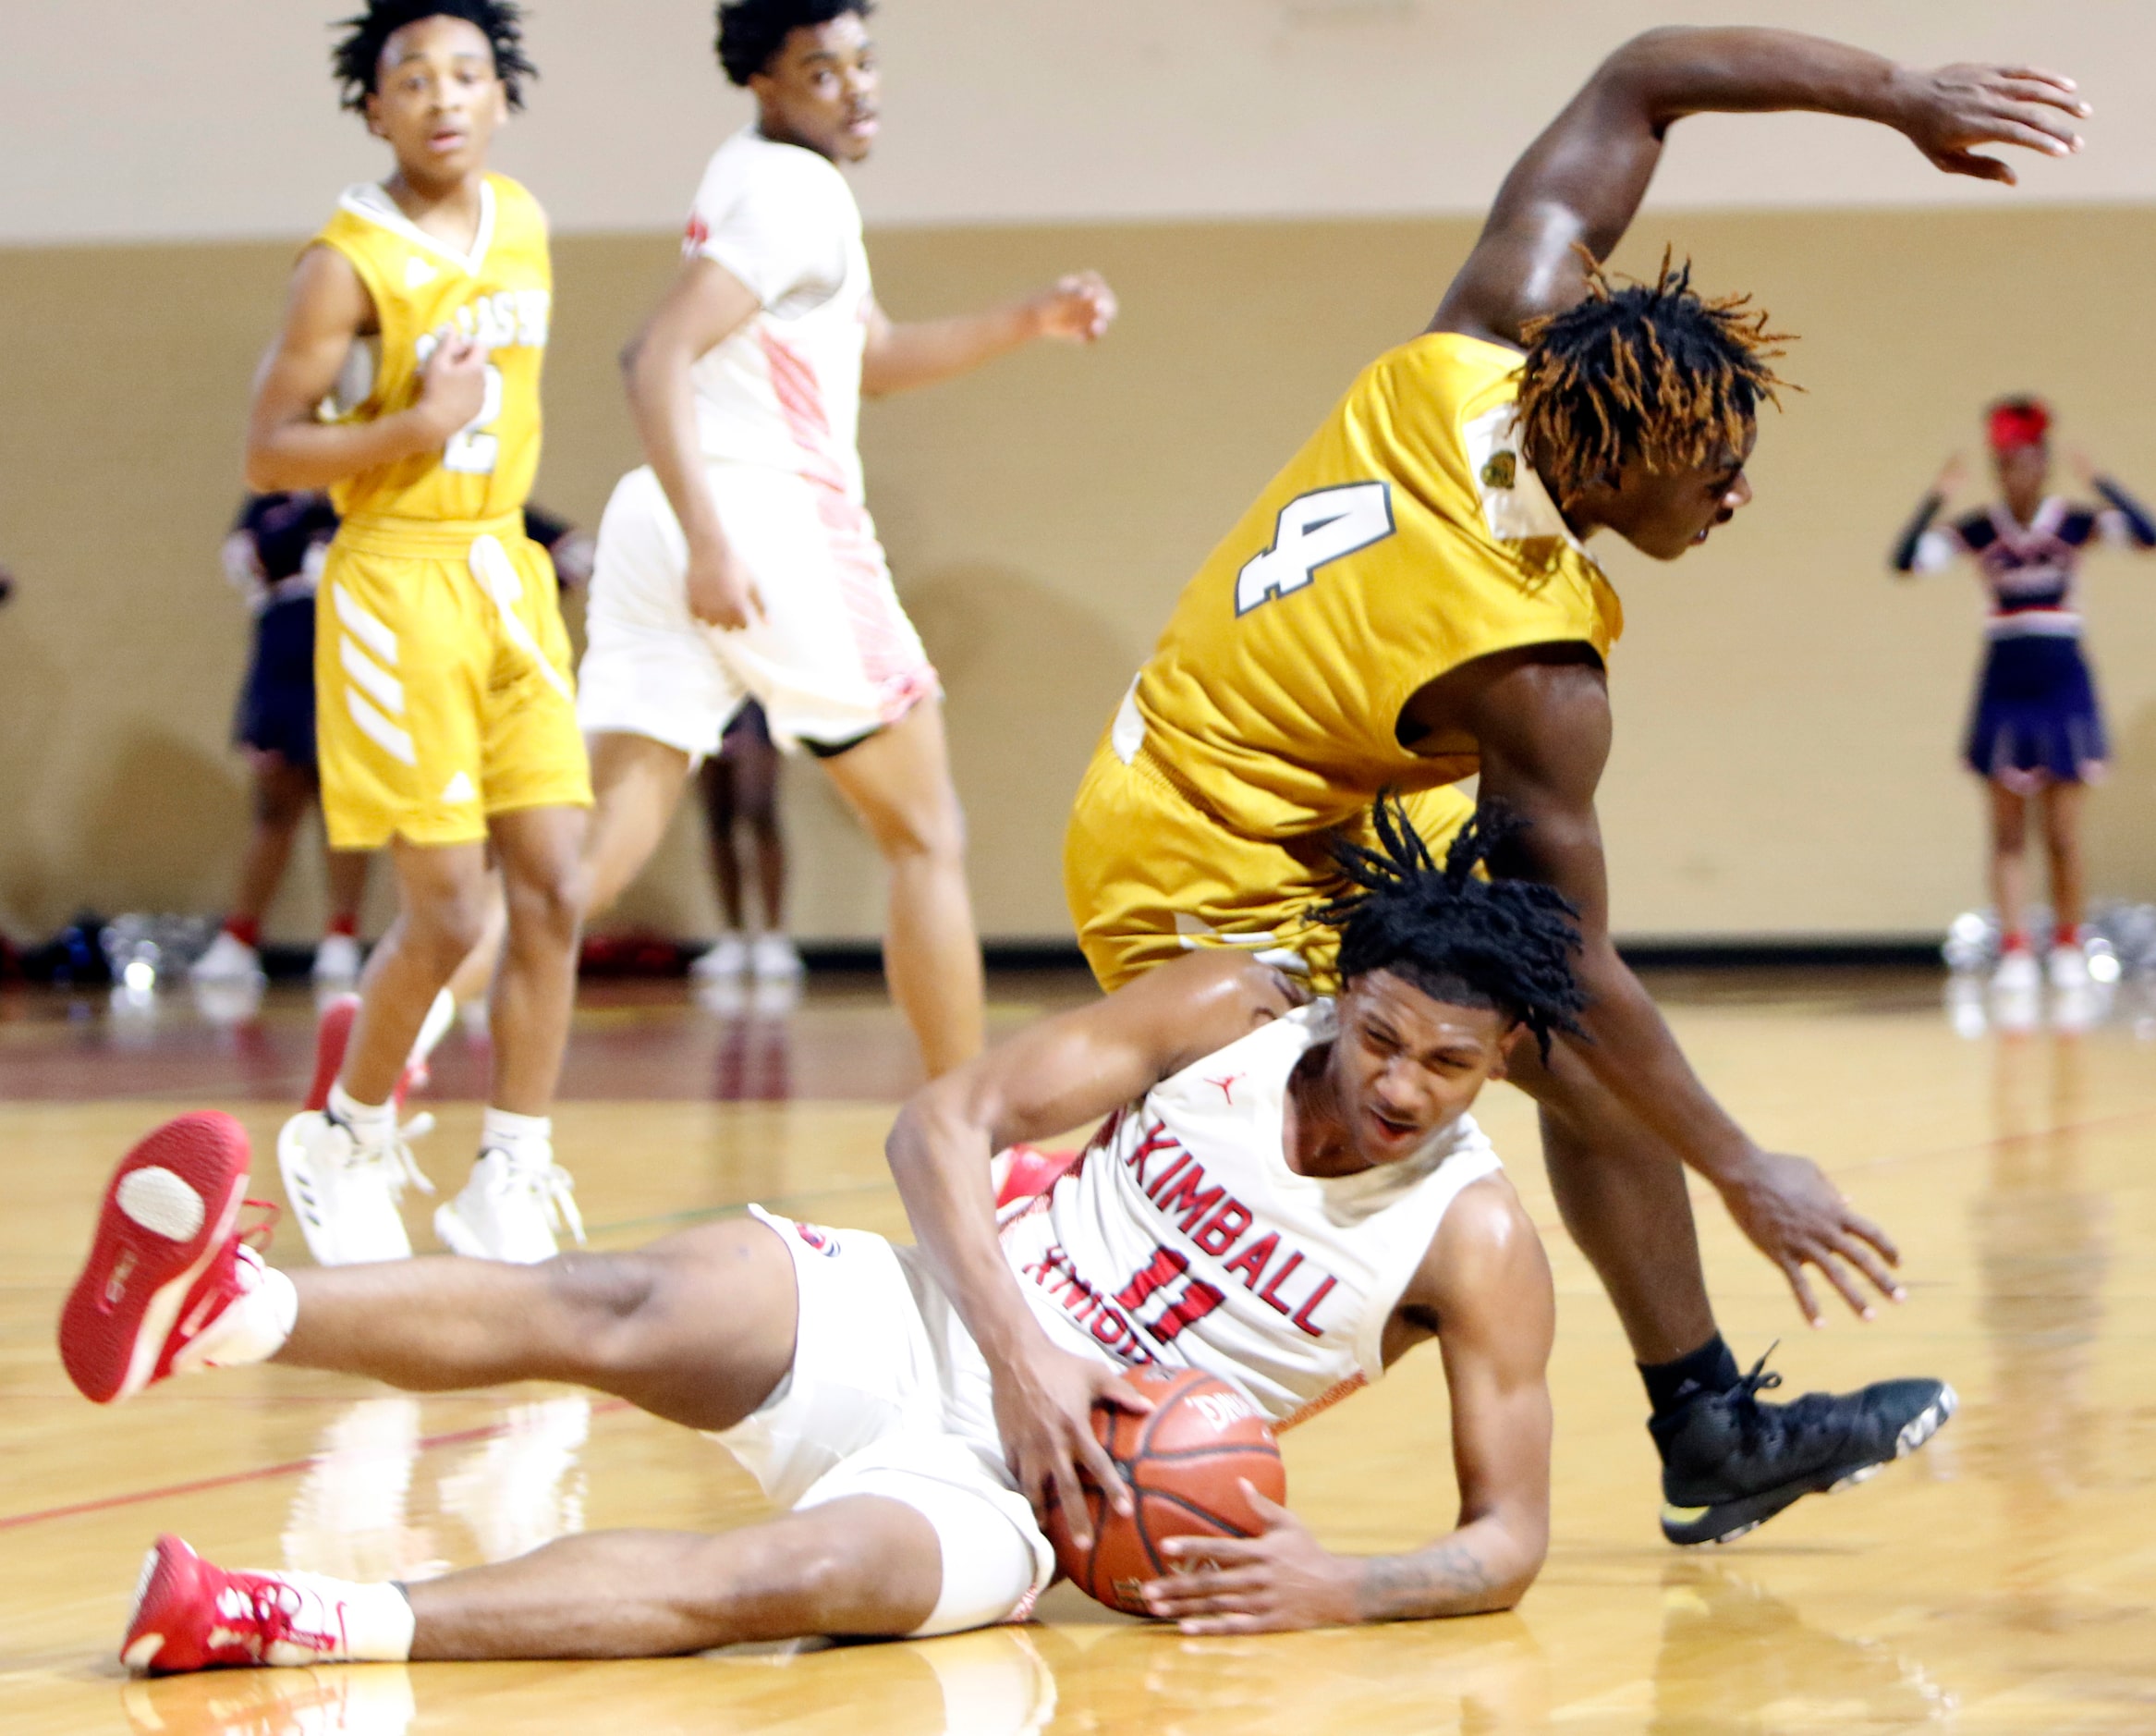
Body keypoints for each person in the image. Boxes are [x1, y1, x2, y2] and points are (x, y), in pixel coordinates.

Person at [1063, 28, 2078, 1543]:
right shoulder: (1531, 673)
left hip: (1287, 774)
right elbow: (1579, 964)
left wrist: (1901, 99)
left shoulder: (1487, 338)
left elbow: (1640, 75)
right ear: (1601, 476)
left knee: (1552, 1045)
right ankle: (1078, 1384)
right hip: (1200, 852)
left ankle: (1706, 1423)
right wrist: (1742, 1167)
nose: (1737, 493)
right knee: (1455, 1105)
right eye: (1709, 475)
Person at [69, 802, 1592, 1669]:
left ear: (1500, 1062)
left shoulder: (1474, 1244)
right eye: (1378, 1036)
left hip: (1033, 1502)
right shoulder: (1227, 1013)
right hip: (941, 1313)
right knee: (608, 1297)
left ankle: (278, 1618)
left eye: (1442, 1064)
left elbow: (1503, 1538)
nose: (1394, 1083)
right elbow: (936, 1123)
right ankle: (225, 1308)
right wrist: (1021, 1346)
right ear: (1343, 995)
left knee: (766, 1579)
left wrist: (1338, 1582)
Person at [573, 0, 1116, 1078]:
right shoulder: (798, 195)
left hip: (661, 522)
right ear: (764, 85)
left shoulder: (743, 170)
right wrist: (713, 538)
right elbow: (653, 356)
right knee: (925, 834)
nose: (856, 87)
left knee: (584, 864)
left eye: (863, 62)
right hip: (765, 522)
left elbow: (867, 356)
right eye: (821, 71)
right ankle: (967, 1134)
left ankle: (392, 1059)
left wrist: (1024, 320)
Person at [242, 0, 591, 1267]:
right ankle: (343, 1128)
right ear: (373, 107)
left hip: (507, 569)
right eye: (413, 79)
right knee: (447, 914)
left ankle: (513, 1162)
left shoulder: (528, 223)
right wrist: (407, 432)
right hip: (395, 582)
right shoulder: (343, 261)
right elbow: (268, 446)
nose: (444, 97)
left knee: (554, 885)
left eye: (468, 75)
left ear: (501, 95)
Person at [1891, 397, 2156, 993]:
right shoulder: (1981, 529)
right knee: (2007, 829)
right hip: (2005, 679)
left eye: (2029, 459)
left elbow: (2147, 535)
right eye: (2006, 461)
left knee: (2062, 831)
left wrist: (2105, 481)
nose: (2018, 471)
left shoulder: (2071, 522)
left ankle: (2067, 943)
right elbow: (1907, 561)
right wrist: (1935, 497)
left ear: (2046, 463)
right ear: (1996, 467)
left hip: (2063, 678)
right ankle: (2014, 949)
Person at [192, 493, 372, 987]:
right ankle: (240, 938)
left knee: (345, 810)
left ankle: (341, 938)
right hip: (283, 669)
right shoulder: (266, 507)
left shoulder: (362, 492)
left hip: (350, 661)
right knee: (274, 807)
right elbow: (249, 564)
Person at [688, 701, 802, 984]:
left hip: (755, 696)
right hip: (707, 694)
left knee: (759, 806)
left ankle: (774, 936)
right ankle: (733, 935)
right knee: (717, 816)